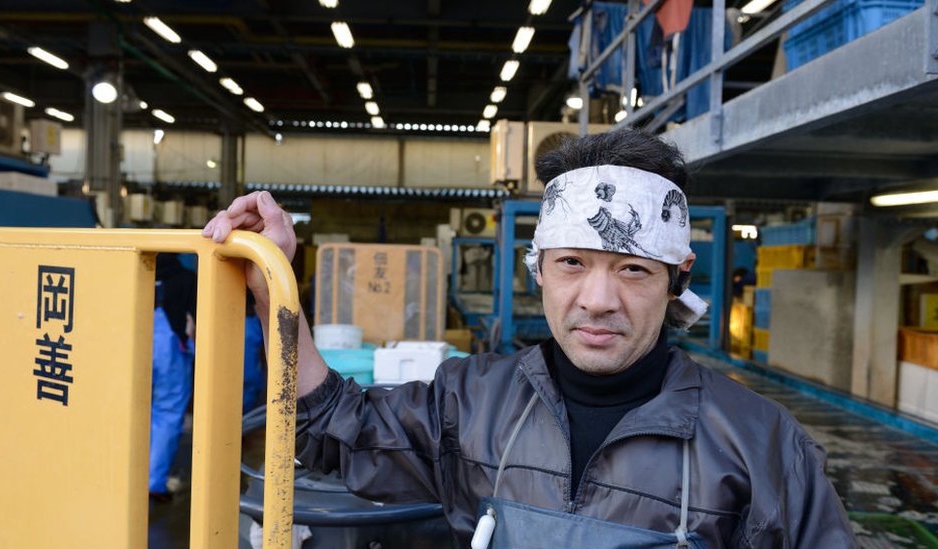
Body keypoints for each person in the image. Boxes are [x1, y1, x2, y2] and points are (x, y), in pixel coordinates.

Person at [203, 129, 856, 547]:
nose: (598, 300)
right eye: (572, 263)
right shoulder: (473, 401)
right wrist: (273, 284)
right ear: (537, 270)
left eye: (632, 269)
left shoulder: (763, 445)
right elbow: (330, 427)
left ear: (676, 276)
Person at [149, 253, 197, 502]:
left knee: (131, 413)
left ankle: (123, 475)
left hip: (134, 350)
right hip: (170, 355)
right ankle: (154, 482)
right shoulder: (188, 279)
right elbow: (197, 323)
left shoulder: (135, 275)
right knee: (167, 414)